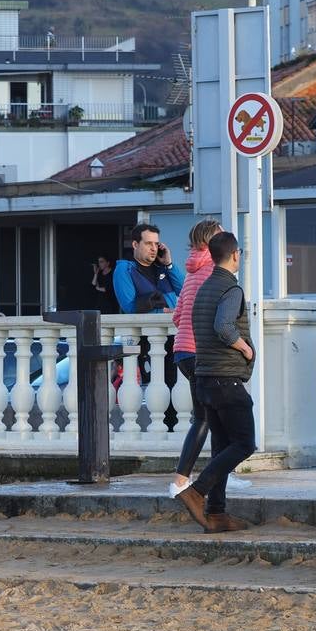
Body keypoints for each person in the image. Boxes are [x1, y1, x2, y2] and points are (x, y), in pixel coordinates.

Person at [174, 231, 254, 534]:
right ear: (235, 255)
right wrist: (246, 348)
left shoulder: (203, 287)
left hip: (204, 377)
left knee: (221, 445)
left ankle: (217, 513)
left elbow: (185, 321)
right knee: (245, 443)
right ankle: (198, 491)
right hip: (226, 379)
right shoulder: (230, 289)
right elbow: (223, 326)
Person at [168, 218, 222, 500]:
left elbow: (178, 317)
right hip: (203, 353)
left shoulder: (191, 270)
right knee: (212, 418)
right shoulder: (214, 269)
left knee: (204, 417)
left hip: (183, 352)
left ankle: (186, 479)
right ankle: (195, 479)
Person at [113, 223, 184, 314]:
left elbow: (184, 291)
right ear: (135, 245)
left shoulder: (163, 267)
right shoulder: (124, 269)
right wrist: (162, 312)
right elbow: (130, 308)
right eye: (149, 243)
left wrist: (169, 264)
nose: (154, 249)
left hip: (170, 326)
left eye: (156, 244)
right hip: (147, 326)